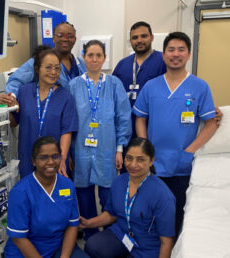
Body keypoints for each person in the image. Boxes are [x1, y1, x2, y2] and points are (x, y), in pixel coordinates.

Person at [133, 32, 218, 237]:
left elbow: (211, 123)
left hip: (182, 165)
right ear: (164, 55)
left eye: (181, 50)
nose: (175, 54)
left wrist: (190, 151)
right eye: (171, 50)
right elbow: (140, 118)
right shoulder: (151, 86)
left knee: (178, 214)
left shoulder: (200, 86)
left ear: (188, 54)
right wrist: (145, 146)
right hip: (153, 165)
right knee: (151, 212)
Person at [69, 40, 131, 240]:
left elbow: (123, 117)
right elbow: (69, 121)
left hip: (107, 150)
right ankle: (91, 238)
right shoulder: (74, 85)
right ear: (84, 57)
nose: (94, 59)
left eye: (98, 55)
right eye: (90, 55)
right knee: (84, 199)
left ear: (104, 58)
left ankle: (112, 238)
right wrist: (69, 153)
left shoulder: (114, 84)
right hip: (80, 151)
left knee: (109, 197)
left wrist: (120, 149)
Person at [81, 137, 175, 258]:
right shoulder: (118, 181)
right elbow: (111, 215)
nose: (133, 164)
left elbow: (166, 241)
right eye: (129, 158)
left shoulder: (163, 195)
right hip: (122, 235)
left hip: (146, 247)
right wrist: (88, 223)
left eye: (140, 160)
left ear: (151, 161)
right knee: (92, 246)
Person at [0, 46, 78, 178]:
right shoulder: (23, 92)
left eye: (57, 68)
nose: (53, 72)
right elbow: (13, 123)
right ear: (37, 68)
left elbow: (67, 132)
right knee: (30, 194)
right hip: (28, 158)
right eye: (48, 67)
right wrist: (6, 107)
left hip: (54, 160)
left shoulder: (66, 97)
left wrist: (62, 159)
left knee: (55, 195)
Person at [4, 136, 89, 258]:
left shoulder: (67, 185)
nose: (50, 162)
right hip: (25, 251)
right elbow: (18, 239)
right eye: (43, 157)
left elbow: (72, 225)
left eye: (55, 156)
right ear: (33, 161)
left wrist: (64, 257)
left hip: (57, 246)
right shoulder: (20, 192)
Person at [3, 21, 86, 98]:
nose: (65, 39)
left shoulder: (81, 65)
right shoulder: (41, 60)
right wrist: (12, 97)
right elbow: (16, 81)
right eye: (60, 35)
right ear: (53, 38)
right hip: (51, 110)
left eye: (70, 36)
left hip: (74, 111)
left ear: (75, 39)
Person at [113, 21, 166, 138]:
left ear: (152, 37)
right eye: (135, 37)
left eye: (144, 36)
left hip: (153, 124)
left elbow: (180, 86)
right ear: (130, 41)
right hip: (126, 126)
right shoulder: (122, 65)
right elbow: (111, 95)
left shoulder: (163, 60)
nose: (139, 40)